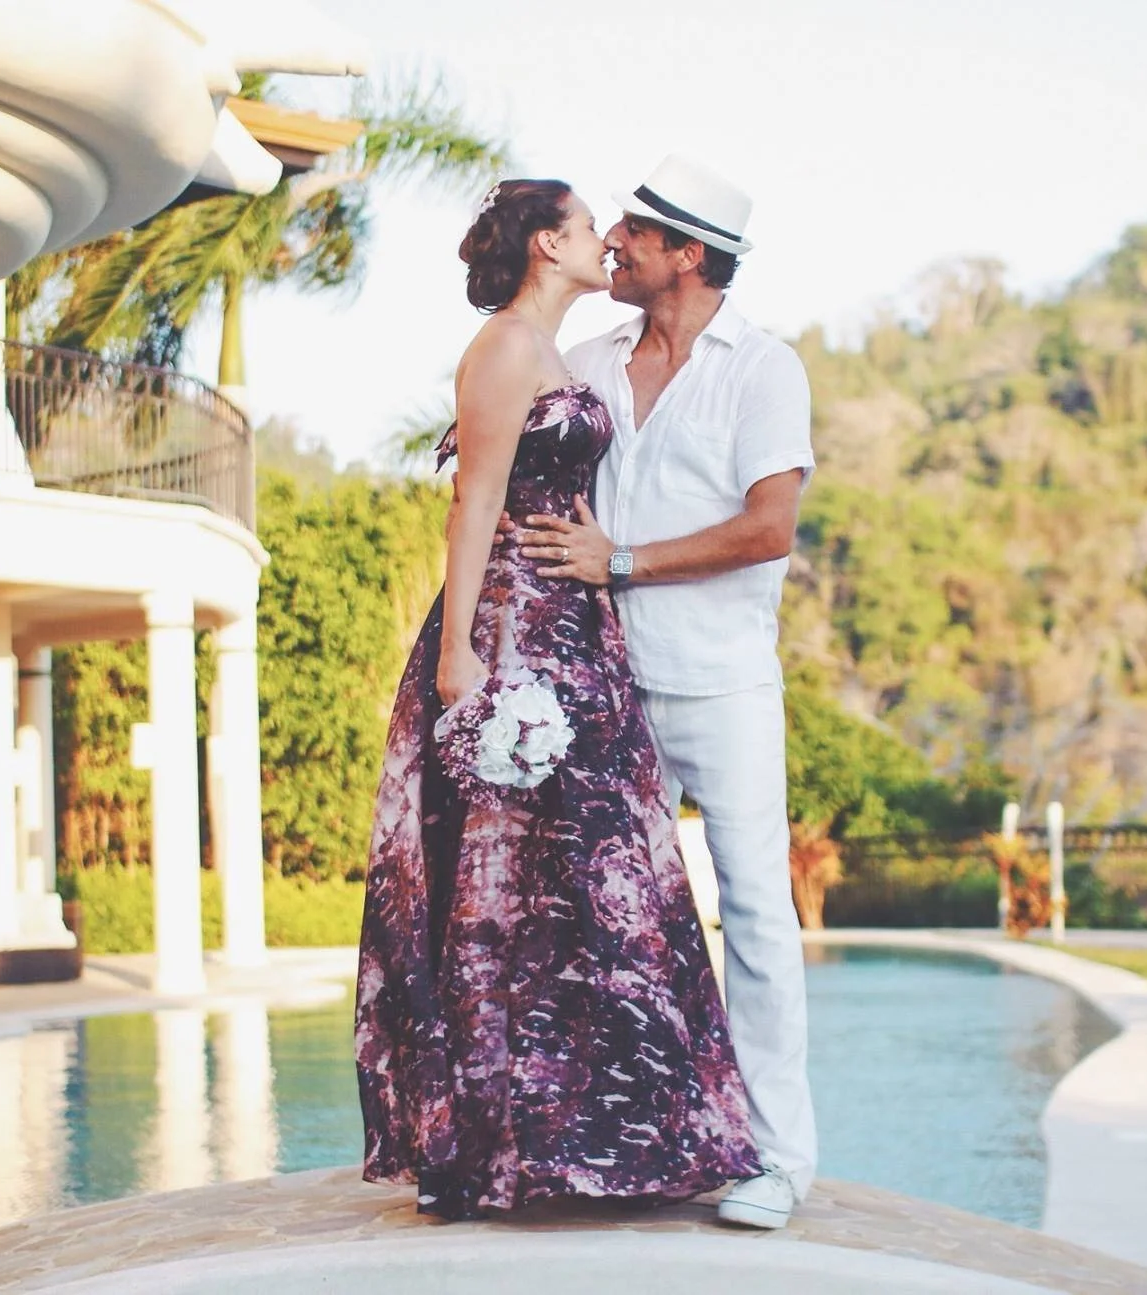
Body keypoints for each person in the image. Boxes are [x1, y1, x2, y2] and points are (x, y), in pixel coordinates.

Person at [355, 179, 760, 1221]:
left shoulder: (564, 355)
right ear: (548, 243)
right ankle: (487, 1149)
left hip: (577, 632)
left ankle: (604, 1142)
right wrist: (459, 664)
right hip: (506, 631)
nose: (605, 242)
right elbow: (473, 498)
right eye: (589, 227)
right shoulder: (500, 348)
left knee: (597, 874)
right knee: (499, 891)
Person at [514, 155, 819, 1230]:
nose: (619, 244)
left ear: (686, 255)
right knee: (602, 920)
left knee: (754, 917)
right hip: (598, 685)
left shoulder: (761, 369)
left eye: (638, 233)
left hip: (723, 683)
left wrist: (624, 561)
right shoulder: (588, 360)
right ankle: (621, 1142)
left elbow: (767, 527)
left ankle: (778, 1158)